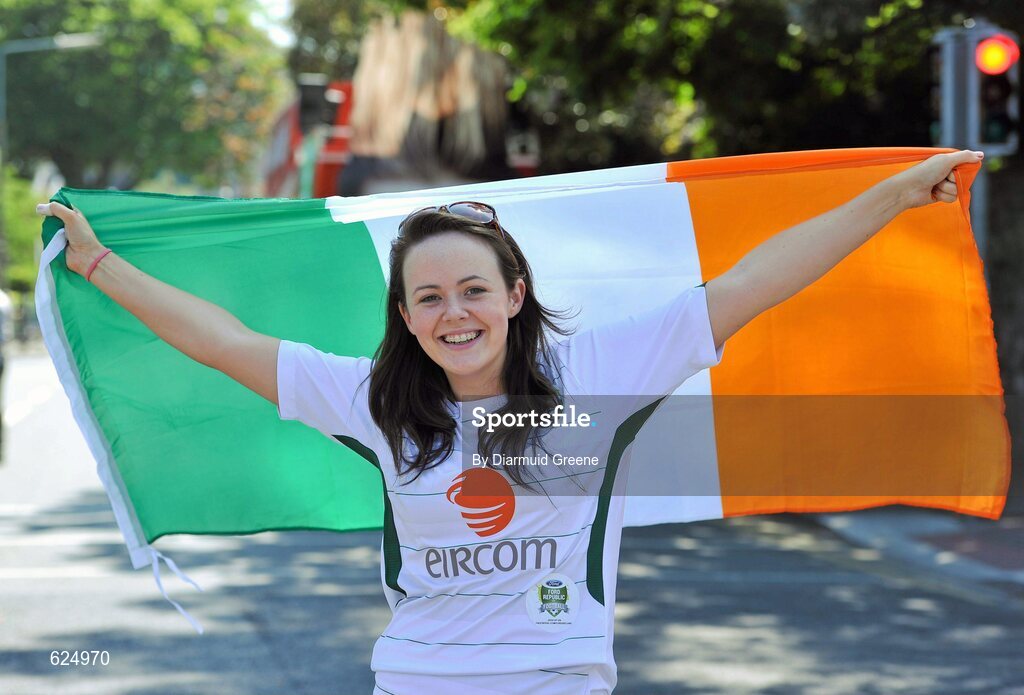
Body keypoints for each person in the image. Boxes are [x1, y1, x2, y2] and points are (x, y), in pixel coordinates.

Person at [36, 149, 981, 694]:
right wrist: (98, 268)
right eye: (430, 296)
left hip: (560, 672)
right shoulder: (376, 401)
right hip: (418, 678)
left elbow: (750, 284)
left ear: (516, 295)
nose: (456, 312)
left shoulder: (598, 372)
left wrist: (895, 195)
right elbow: (223, 341)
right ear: (405, 315)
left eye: (475, 289)